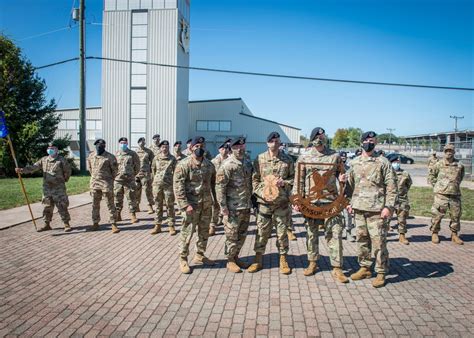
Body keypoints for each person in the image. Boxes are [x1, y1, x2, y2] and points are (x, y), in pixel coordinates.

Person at [292, 127, 348, 283]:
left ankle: (337, 268)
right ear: (312, 139)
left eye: (322, 136)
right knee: (311, 234)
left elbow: (342, 176)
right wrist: (297, 200)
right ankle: (312, 263)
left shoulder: (335, 156)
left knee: (335, 234)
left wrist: (343, 179)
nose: (320, 138)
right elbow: (299, 181)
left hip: (331, 203)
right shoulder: (304, 158)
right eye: (317, 136)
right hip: (311, 204)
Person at [345, 131, 397, 288]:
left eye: (372, 140)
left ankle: (381, 272)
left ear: (376, 143)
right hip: (359, 209)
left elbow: (391, 186)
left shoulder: (383, 162)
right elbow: (349, 186)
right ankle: (365, 268)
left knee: (379, 243)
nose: (369, 142)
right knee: (362, 240)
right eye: (367, 140)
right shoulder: (354, 163)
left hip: (377, 210)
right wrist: (348, 202)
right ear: (361, 142)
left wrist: (389, 206)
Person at [248, 132, 295, 275]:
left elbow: (294, 179)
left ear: (280, 142)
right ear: (267, 143)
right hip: (264, 204)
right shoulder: (259, 159)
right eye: (271, 141)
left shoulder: (288, 160)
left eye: (277, 140)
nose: (274, 143)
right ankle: (258, 259)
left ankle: (283, 259)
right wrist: (260, 193)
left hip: (281, 203)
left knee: (281, 233)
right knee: (262, 232)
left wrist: (284, 183)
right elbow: (254, 179)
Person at [174, 136, 216, 274]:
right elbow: (178, 186)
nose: (200, 148)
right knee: (187, 233)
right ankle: (183, 259)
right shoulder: (183, 164)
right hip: (191, 206)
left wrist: (216, 203)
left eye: (202, 146)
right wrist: (185, 205)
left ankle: (199, 255)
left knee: (203, 232)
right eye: (197, 146)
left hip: (206, 205)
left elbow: (213, 185)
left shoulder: (209, 165)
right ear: (191, 148)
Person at [16, 142, 72, 232]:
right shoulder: (44, 160)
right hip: (47, 189)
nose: (50, 149)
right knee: (47, 207)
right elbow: (33, 167)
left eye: (52, 148)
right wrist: (22, 170)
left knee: (62, 206)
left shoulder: (61, 160)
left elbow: (68, 171)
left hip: (59, 188)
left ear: (57, 150)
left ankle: (66, 224)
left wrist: (63, 180)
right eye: (49, 148)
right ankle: (47, 224)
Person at [216, 137, 253, 273]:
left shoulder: (247, 163)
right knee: (231, 235)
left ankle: (236, 256)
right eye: (237, 147)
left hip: (245, 206)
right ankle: (230, 260)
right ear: (232, 148)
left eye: (242, 146)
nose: (240, 149)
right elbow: (220, 187)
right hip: (232, 208)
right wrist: (223, 206)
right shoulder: (227, 165)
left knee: (242, 235)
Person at [428, 144, 465, 245]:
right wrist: (437, 187)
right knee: (437, 215)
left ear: (454, 152)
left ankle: (454, 234)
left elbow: (460, 177)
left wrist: (453, 186)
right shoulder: (439, 164)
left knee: (456, 216)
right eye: (447, 151)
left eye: (451, 151)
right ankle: (435, 233)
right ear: (444, 152)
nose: (449, 153)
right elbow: (431, 176)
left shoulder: (459, 165)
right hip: (441, 195)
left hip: (455, 194)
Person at [87, 139, 120, 233]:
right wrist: (95, 177)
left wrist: (109, 179)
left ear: (104, 146)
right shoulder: (91, 156)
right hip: (94, 184)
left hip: (106, 184)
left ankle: (114, 224)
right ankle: (95, 223)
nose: (99, 147)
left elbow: (115, 171)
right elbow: (90, 169)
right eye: (97, 145)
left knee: (110, 204)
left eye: (101, 145)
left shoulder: (110, 157)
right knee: (95, 205)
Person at [150, 140, 177, 235]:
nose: (165, 149)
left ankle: (171, 226)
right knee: (158, 205)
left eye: (166, 147)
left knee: (170, 206)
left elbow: (176, 173)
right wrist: (155, 181)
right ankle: (158, 225)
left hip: (168, 186)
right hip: (157, 185)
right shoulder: (156, 158)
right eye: (163, 147)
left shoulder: (172, 159)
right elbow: (153, 170)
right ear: (160, 148)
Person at [114, 137, 140, 223]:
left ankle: (133, 215)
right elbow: (113, 167)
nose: (123, 144)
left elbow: (137, 166)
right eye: (121, 142)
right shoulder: (116, 154)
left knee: (131, 197)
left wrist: (132, 174)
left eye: (125, 142)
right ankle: (118, 214)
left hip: (129, 180)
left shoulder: (132, 154)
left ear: (127, 143)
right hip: (118, 179)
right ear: (119, 143)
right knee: (117, 197)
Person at [209, 140, 231, 236]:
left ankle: (227, 226)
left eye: (226, 148)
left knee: (228, 207)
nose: (224, 150)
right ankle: (212, 226)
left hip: (228, 188)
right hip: (215, 188)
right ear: (219, 150)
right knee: (215, 207)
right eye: (222, 148)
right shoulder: (213, 162)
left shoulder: (230, 161)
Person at [390, 156, 412, 245]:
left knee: (402, 218)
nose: (396, 163)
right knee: (385, 219)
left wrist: (402, 192)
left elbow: (409, 184)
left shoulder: (405, 173)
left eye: (398, 162)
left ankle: (402, 235)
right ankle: (383, 236)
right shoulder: (387, 173)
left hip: (402, 199)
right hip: (389, 200)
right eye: (394, 162)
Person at [135, 137, 155, 214]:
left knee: (147, 190)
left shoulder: (148, 151)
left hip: (146, 173)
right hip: (137, 173)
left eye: (143, 141)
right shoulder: (135, 152)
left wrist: (152, 172)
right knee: (137, 189)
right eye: (140, 141)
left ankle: (150, 206)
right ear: (138, 143)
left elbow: (153, 162)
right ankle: (137, 205)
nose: (142, 143)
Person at [340, 151, 355, 242]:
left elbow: (352, 183)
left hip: (346, 196)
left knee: (348, 215)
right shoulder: (334, 169)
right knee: (338, 216)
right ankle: (339, 233)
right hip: (336, 196)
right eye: (341, 158)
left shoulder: (349, 169)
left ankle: (348, 233)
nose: (343, 159)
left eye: (344, 158)